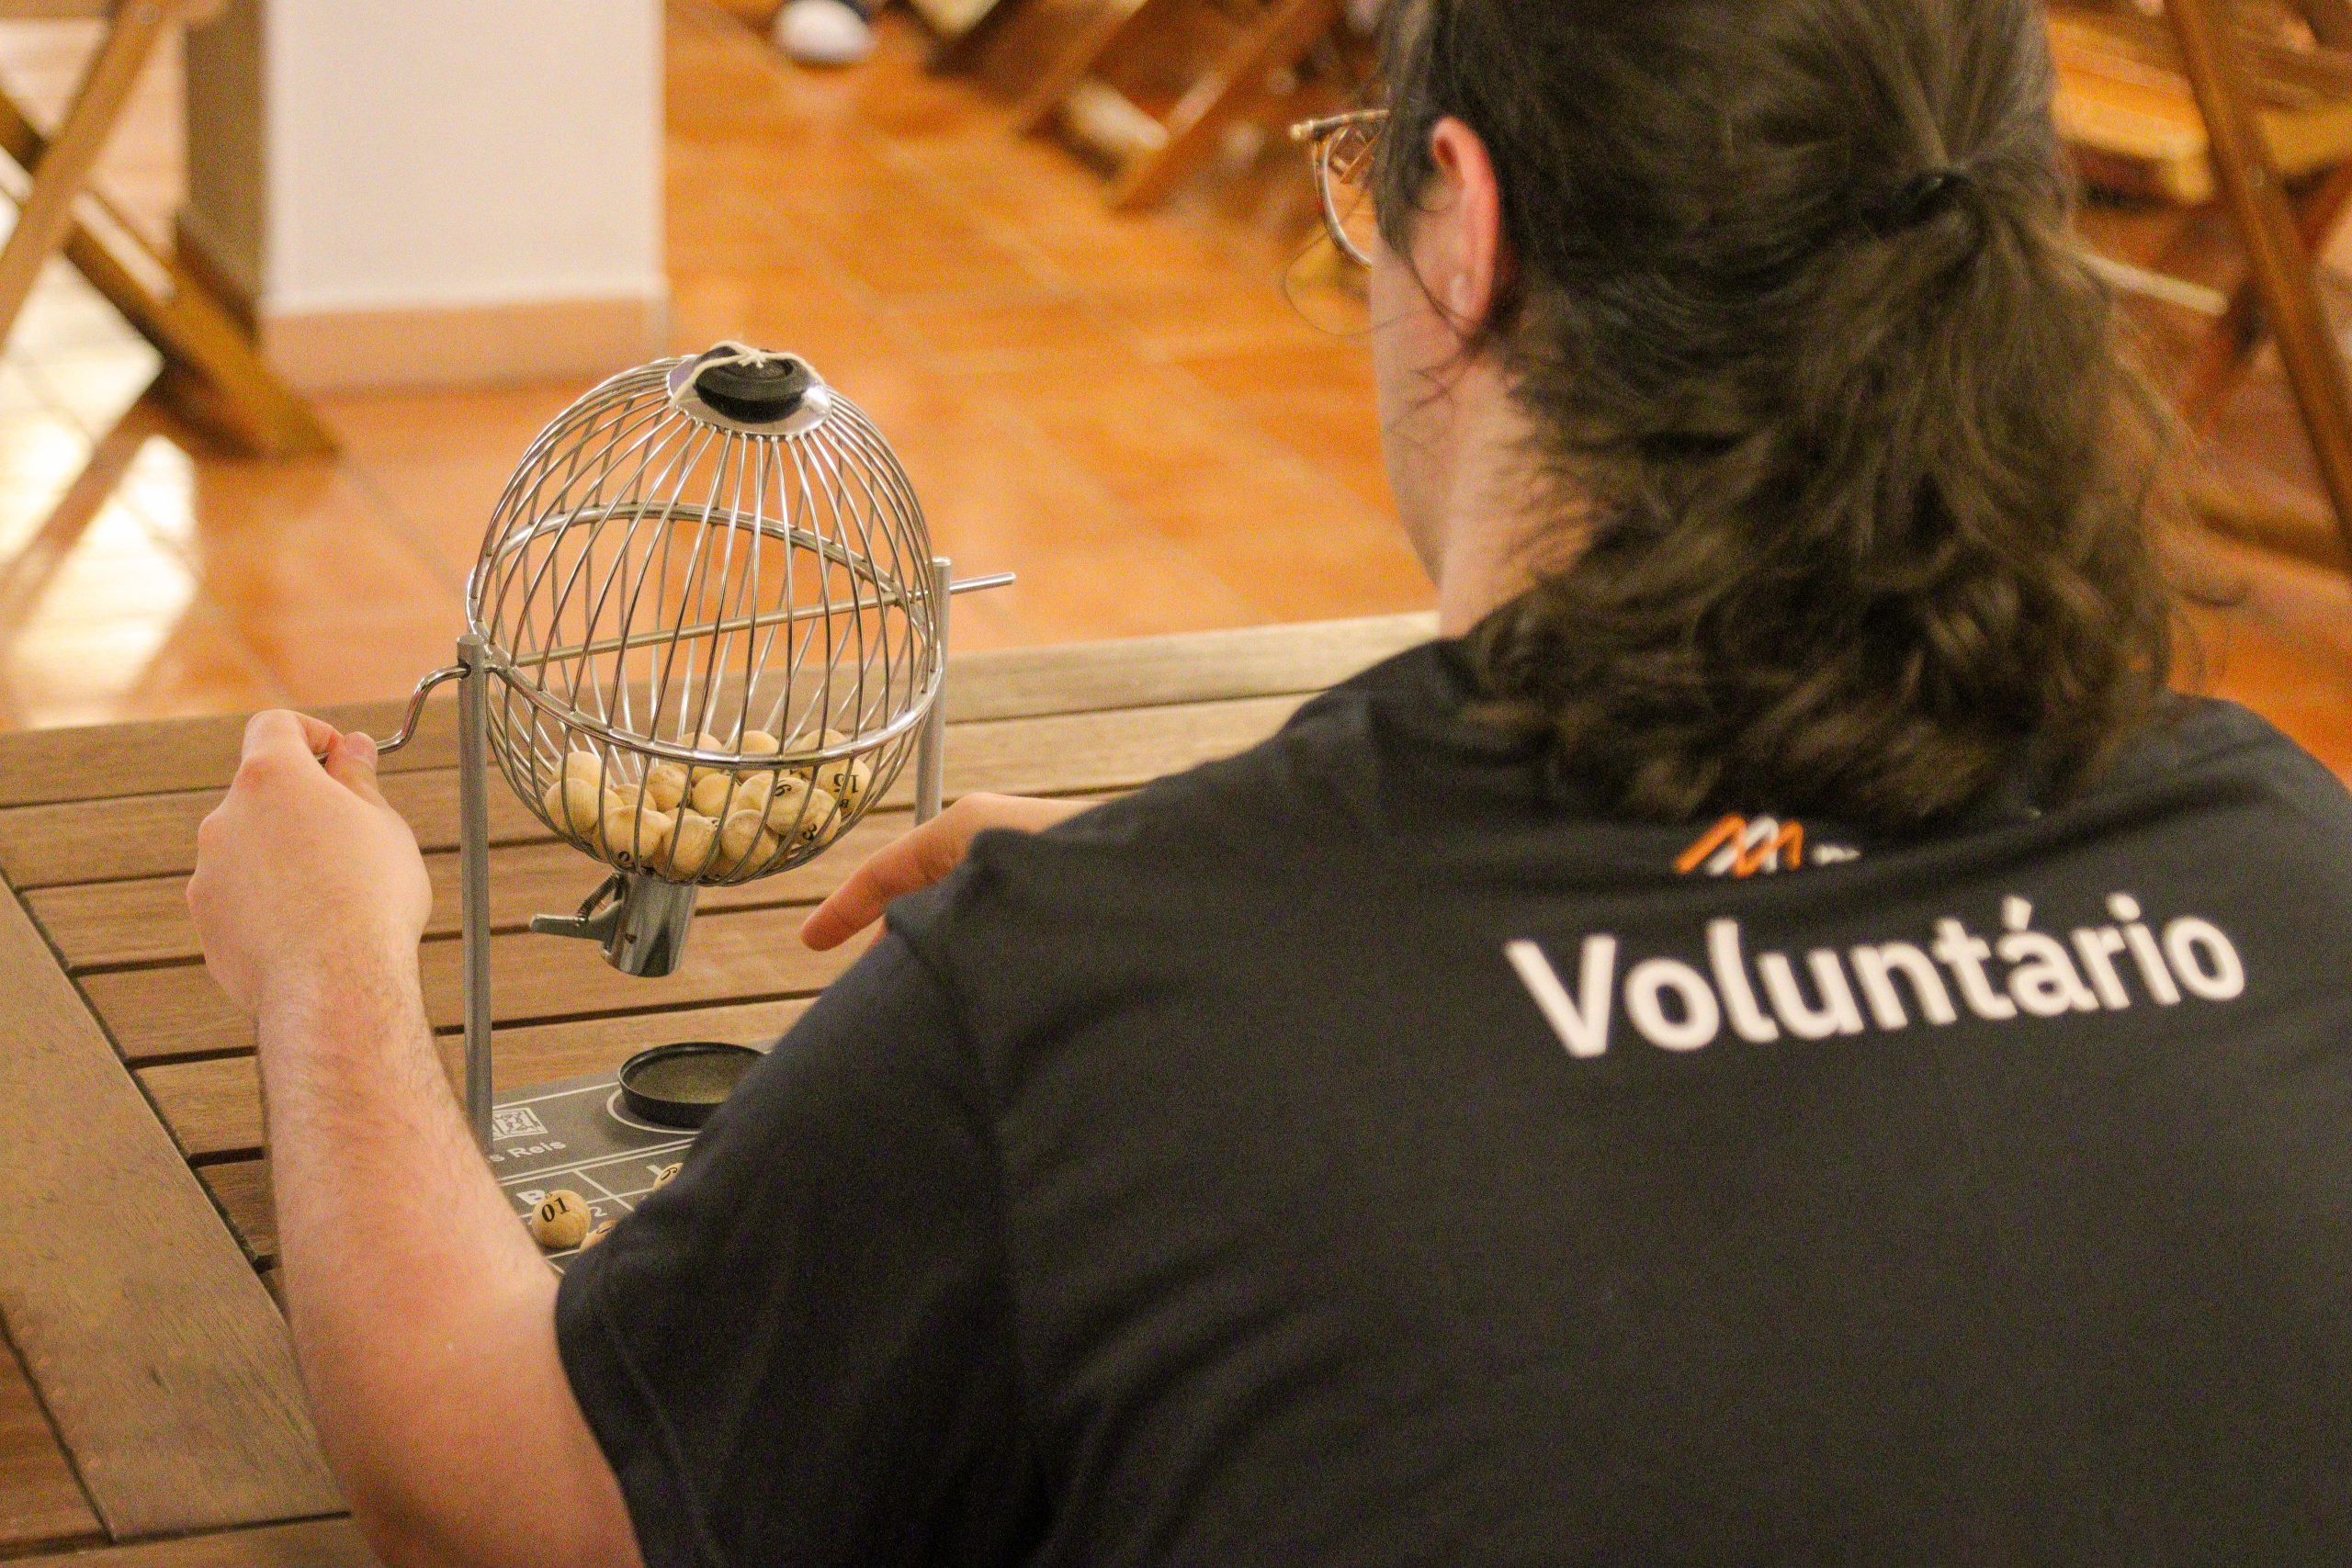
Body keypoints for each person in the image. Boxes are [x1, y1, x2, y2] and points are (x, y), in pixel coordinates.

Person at [187, 0, 2352, 1562]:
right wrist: (1293, 955)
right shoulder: (2285, 855)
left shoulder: (1081, 1010)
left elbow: (505, 1490)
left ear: (1460, 230)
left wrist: (325, 963)